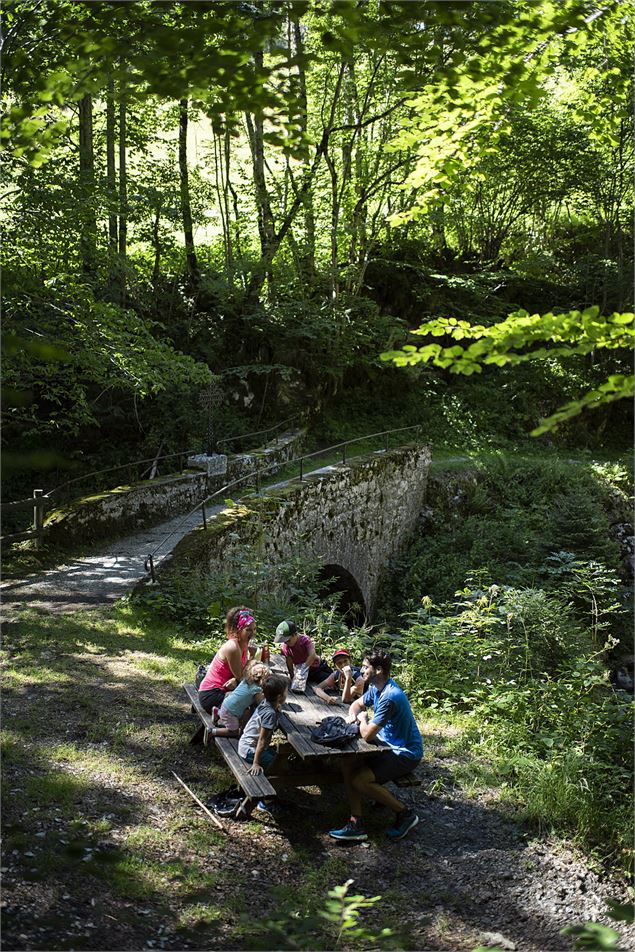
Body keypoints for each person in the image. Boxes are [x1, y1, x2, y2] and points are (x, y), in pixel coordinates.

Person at [329, 648, 423, 843]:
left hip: (405, 753)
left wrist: (362, 719)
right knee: (348, 762)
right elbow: (355, 704)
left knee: (360, 780)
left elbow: (366, 734)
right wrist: (353, 715)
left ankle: (405, 814)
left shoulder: (389, 696)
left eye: (365, 667)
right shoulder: (376, 688)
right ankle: (356, 822)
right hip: (386, 744)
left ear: (378, 670)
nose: (361, 671)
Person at [198, 607, 257, 714]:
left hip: (226, 690)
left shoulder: (244, 642)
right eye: (248, 629)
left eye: (254, 629)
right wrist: (237, 678)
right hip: (212, 694)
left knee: (256, 696)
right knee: (251, 705)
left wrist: (236, 679)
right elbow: (243, 677)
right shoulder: (232, 647)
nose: (252, 633)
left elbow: (242, 673)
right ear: (238, 630)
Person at [238, 673, 289, 775]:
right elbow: (262, 740)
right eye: (286, 692)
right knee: (282, 766)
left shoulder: (266, 702)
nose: (287, 694)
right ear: (279, 696)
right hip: (249, 751)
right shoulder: (270, 714)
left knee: (278, 756)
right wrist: (256, 763)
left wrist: (277, 708)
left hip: (244, 744)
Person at [211, 660, 270, 737]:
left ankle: (217, 712)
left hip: (226, 704)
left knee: (247, 711)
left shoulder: (246, 680)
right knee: (234, 732)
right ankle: (212, 732)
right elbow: (260, 703)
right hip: (231, 712)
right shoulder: (256, 690)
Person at [274, 619, 331, 684]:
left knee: (330, 678)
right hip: (305, 673)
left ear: (294, 635)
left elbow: (312, 655)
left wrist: (303, 668)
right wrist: (292, 676)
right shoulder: (286, 647)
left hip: (317, 667)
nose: (286, 643)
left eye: (288, 640)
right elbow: (289, 661)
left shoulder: (304, 640)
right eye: (284, 641)